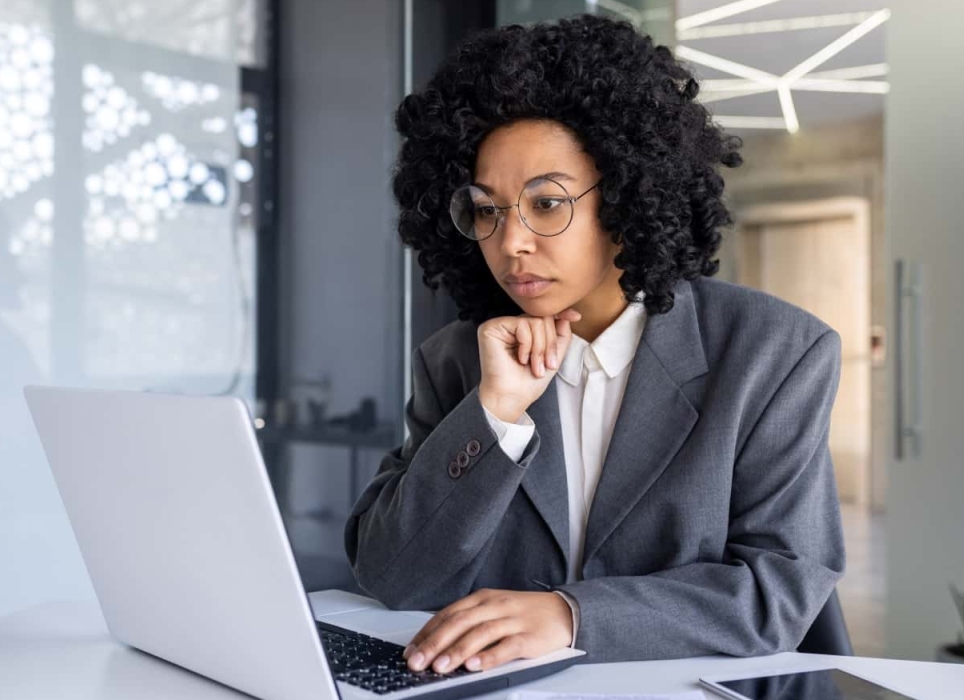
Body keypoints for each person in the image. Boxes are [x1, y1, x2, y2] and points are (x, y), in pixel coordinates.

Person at [344, 14, 845, 674]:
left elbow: (778, 593)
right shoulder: (459, 360)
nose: (511, 241)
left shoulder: (773, 354)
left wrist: (570, 615)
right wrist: (495, 413)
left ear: (629, 196)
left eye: (546, 204)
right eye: (487, 210)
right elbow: (392, 573)